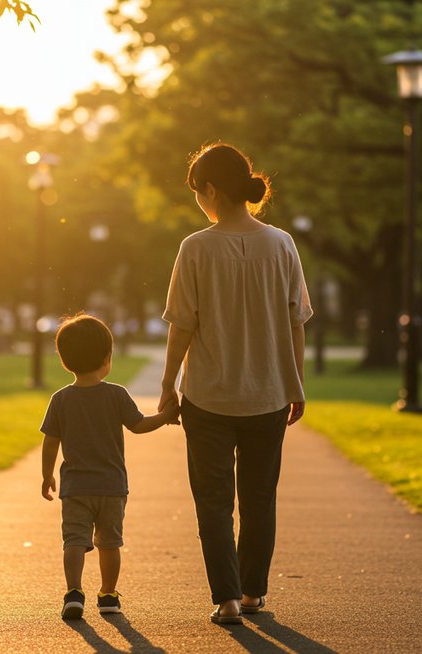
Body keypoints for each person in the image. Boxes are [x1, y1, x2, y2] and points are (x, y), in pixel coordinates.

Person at [159, 142, 312, 625]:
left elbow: (181, 325)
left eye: (196, 193)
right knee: (259, 497)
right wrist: (296, 384)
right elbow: (296, 321)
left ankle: (225, 598)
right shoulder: (282, 243)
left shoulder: (195, 248)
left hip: (208, 396)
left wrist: (168, 384)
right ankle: (252, 593)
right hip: (267, 394)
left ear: (209, 190)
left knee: (213, 500)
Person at [40, 313, 178, 620]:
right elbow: (139, 425)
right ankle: (107, 595)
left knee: (74, 541)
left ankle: (74, 592)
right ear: (107, 358)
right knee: (110, 543)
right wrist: (167, 415)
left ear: (65, 361)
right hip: (112, 487)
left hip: (76, 488)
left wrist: (47, 474)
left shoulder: (60, 399)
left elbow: (51, 441)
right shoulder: (116, 394)